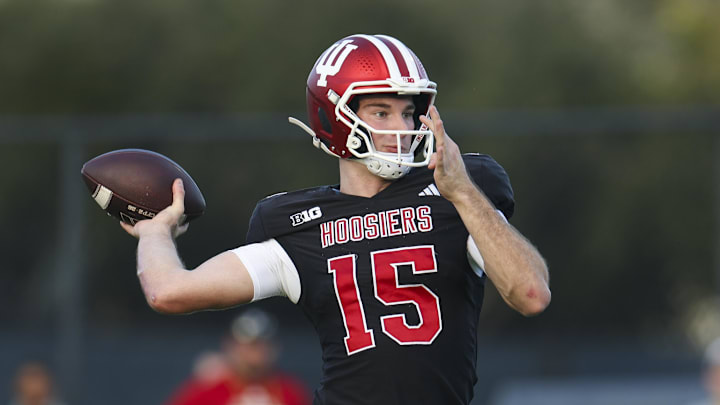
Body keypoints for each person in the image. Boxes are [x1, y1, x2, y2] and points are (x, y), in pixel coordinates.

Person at [121, 34, 551, 404]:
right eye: (381, 112)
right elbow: (169, 292)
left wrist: (463, 193)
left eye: (407, 112)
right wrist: (154, 232)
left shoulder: (458, 191)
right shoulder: (297, 223)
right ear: (333, 116)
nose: (400, 126)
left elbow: (530, 292)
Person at [164, 309, 310, 405]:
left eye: (261, 346)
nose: (254, 356)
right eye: (248, 346)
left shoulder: (289, 391)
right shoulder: (207, 391)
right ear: (231, 346)